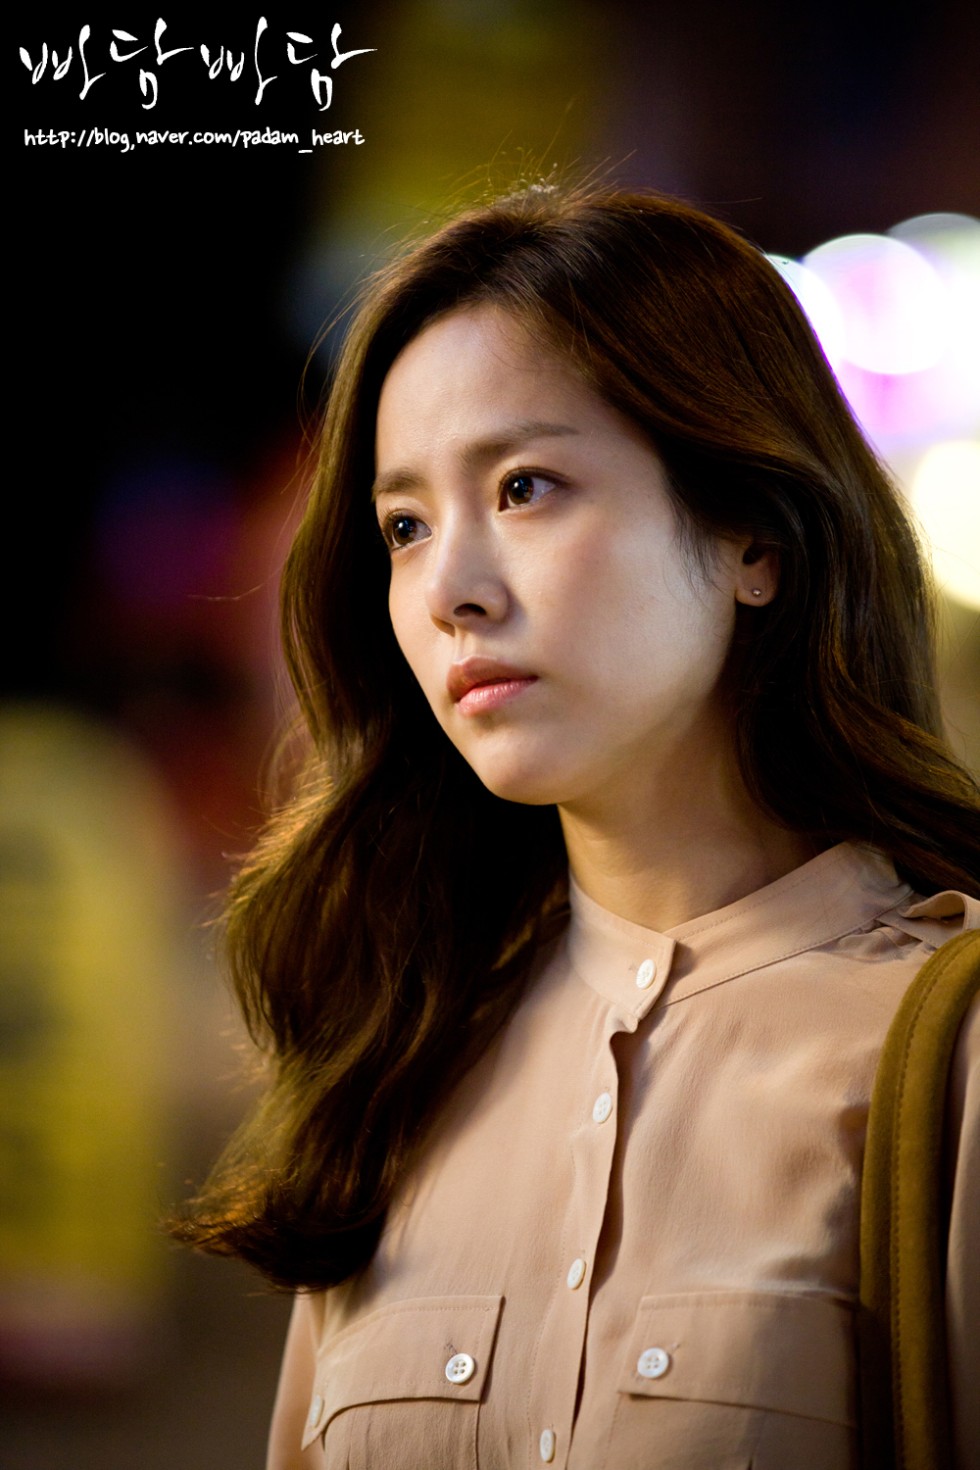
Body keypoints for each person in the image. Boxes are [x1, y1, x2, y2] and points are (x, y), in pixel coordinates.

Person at [174, 186, 980, 1469]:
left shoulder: (942, 1048)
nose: (449, 590)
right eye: (403, 526)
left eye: (525, 487)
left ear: (751, 536)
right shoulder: (399, 1055)